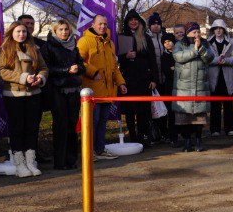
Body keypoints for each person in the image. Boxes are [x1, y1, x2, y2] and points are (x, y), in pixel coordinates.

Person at [0, 21, 49, 177]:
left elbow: (44, 68)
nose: (21, 34)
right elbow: (1, 71)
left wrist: (40, 78)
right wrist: (23, 78)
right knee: (17, 128)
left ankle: (31, 161)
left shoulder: (34, 48)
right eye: (18, 31)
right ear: (12, 32)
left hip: (34, 94)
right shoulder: (4, 49)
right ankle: (19, 163)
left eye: (24, 32)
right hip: (14, 95)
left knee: (32, 128)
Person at [77, 14, 126, 160]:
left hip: (108, 92)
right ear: (92, 25)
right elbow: (78, 61)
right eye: (99, 24)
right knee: (92, 123)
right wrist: (94, 72)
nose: (102, 26)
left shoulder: (110, 43)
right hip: (91, 92)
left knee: (102, 123)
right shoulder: (84, 41)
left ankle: (100, 150)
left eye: (105, 24)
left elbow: (114, 68)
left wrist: (121, 83)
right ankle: (88, 152)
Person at [43, 20, 84, 170]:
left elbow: (82, 66)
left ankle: (71, 160)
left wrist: (77, 68)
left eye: (66, 29)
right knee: (61, 125)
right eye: (60, 29)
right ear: (55, 31)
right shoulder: (48, 47)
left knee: (72, 125)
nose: (64, 32)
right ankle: (60, 161)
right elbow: (47, 69)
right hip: (57, 90)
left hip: (73, 89)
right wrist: (67, 70)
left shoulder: (74, 46)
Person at [117, 10, 159, 148]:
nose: (133, 22)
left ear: (139, 22)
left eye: (136, 19)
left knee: (143, 111)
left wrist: (154, 79)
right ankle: (133, 138)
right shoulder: (122, 37)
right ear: (127, 22)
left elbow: (152, 60)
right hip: (128, 79)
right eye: (131, 20)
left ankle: (143, 138)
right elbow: (117, 60)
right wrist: (125, 57)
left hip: (144, 80)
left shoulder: (146, 37)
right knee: (130, 111)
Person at [172, 23, 213, 151]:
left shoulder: (205, 44)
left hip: (200, 85)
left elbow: (210, 58)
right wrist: (194, 50)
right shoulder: (180, 44)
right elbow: (178, 57)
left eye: (198, 32)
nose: (197, 34)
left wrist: (200, 48)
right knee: (184, 117)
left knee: (199, 117)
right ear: (188, 33)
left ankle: (199, 140)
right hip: (183, 86)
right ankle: (187, 141)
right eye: (194, 32)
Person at [206, 19, 233, 137]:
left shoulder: (232, 42)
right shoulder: (207, 42)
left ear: (224, 29)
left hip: (228, 77)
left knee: (228, 105)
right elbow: (207, 59)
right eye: (216, 28)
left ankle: (230, 128)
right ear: (213, 30)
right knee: (215, 105)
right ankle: (214, 129)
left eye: (220, 28)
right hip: (214, 77)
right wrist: (217, 60)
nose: (218, 30)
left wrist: (225, 60)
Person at [158, 33, 177, 143]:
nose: (167, 43)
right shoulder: (164, 57)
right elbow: (168, 72)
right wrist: (173, 69)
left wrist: (174, 68)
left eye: (169, 41)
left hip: (181, 87)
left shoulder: (179, 53)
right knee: (171, 113)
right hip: (169, 87)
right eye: (165, 42)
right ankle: (172, 136)